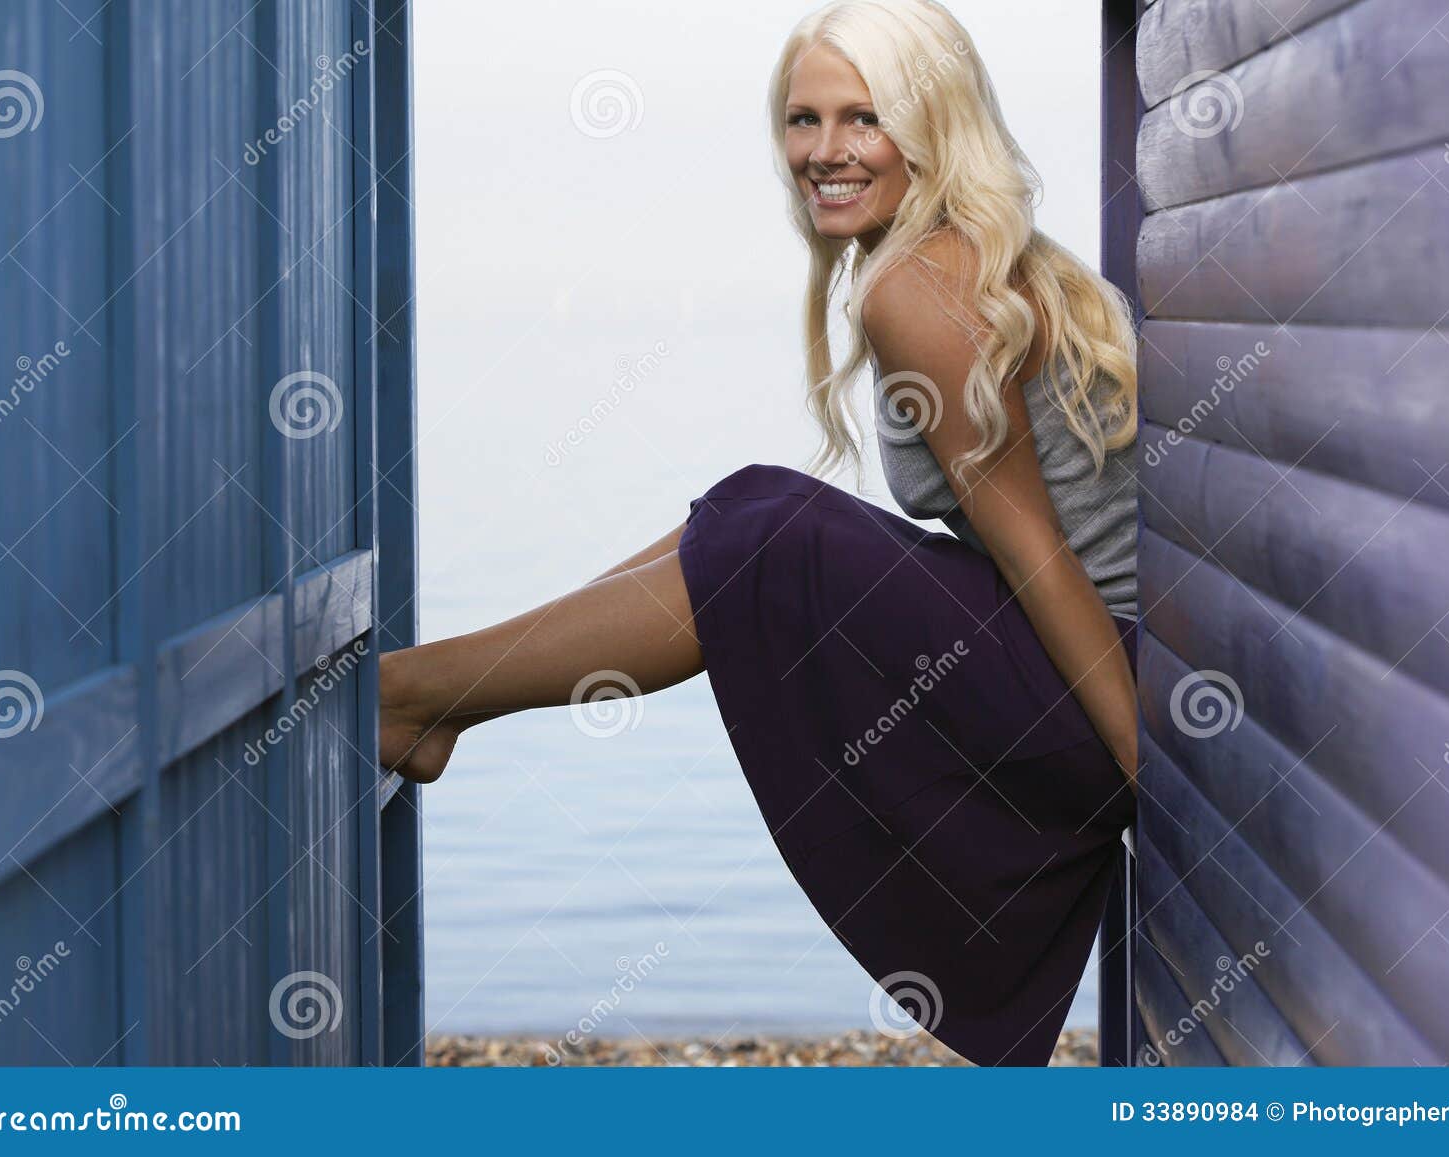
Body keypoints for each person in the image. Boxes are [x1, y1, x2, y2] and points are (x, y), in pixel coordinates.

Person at [379, 0, 1140, 1066]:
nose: (822, 153)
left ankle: (419, 694)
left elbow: (1036, 555)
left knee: (768, 538)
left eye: (862, 119)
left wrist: (1148, 768)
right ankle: (439, 691)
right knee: (747, 505)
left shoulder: (924, 289)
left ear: (931, 127)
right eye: (802, 121)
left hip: (1090, 687)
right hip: (1071, 665)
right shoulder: (944, 258)